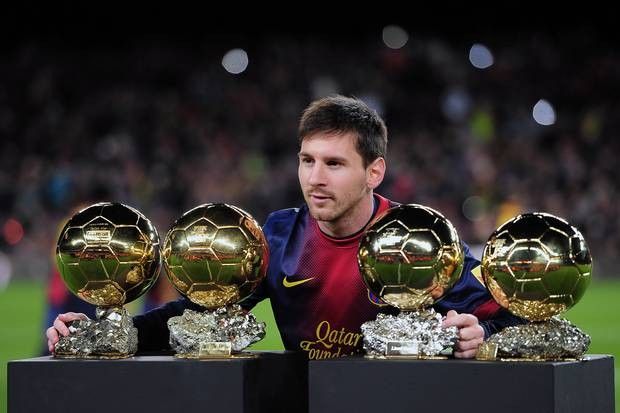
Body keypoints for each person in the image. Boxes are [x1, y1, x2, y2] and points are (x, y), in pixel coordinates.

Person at [46, 95, 522, 359]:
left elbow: (512, 316)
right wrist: (104, 331)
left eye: (334, 163)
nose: (315, 179)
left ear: (374, 172)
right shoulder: (278, 235)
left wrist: (478, 336)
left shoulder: (418, 238)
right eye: (307, 160)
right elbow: (192, 317)